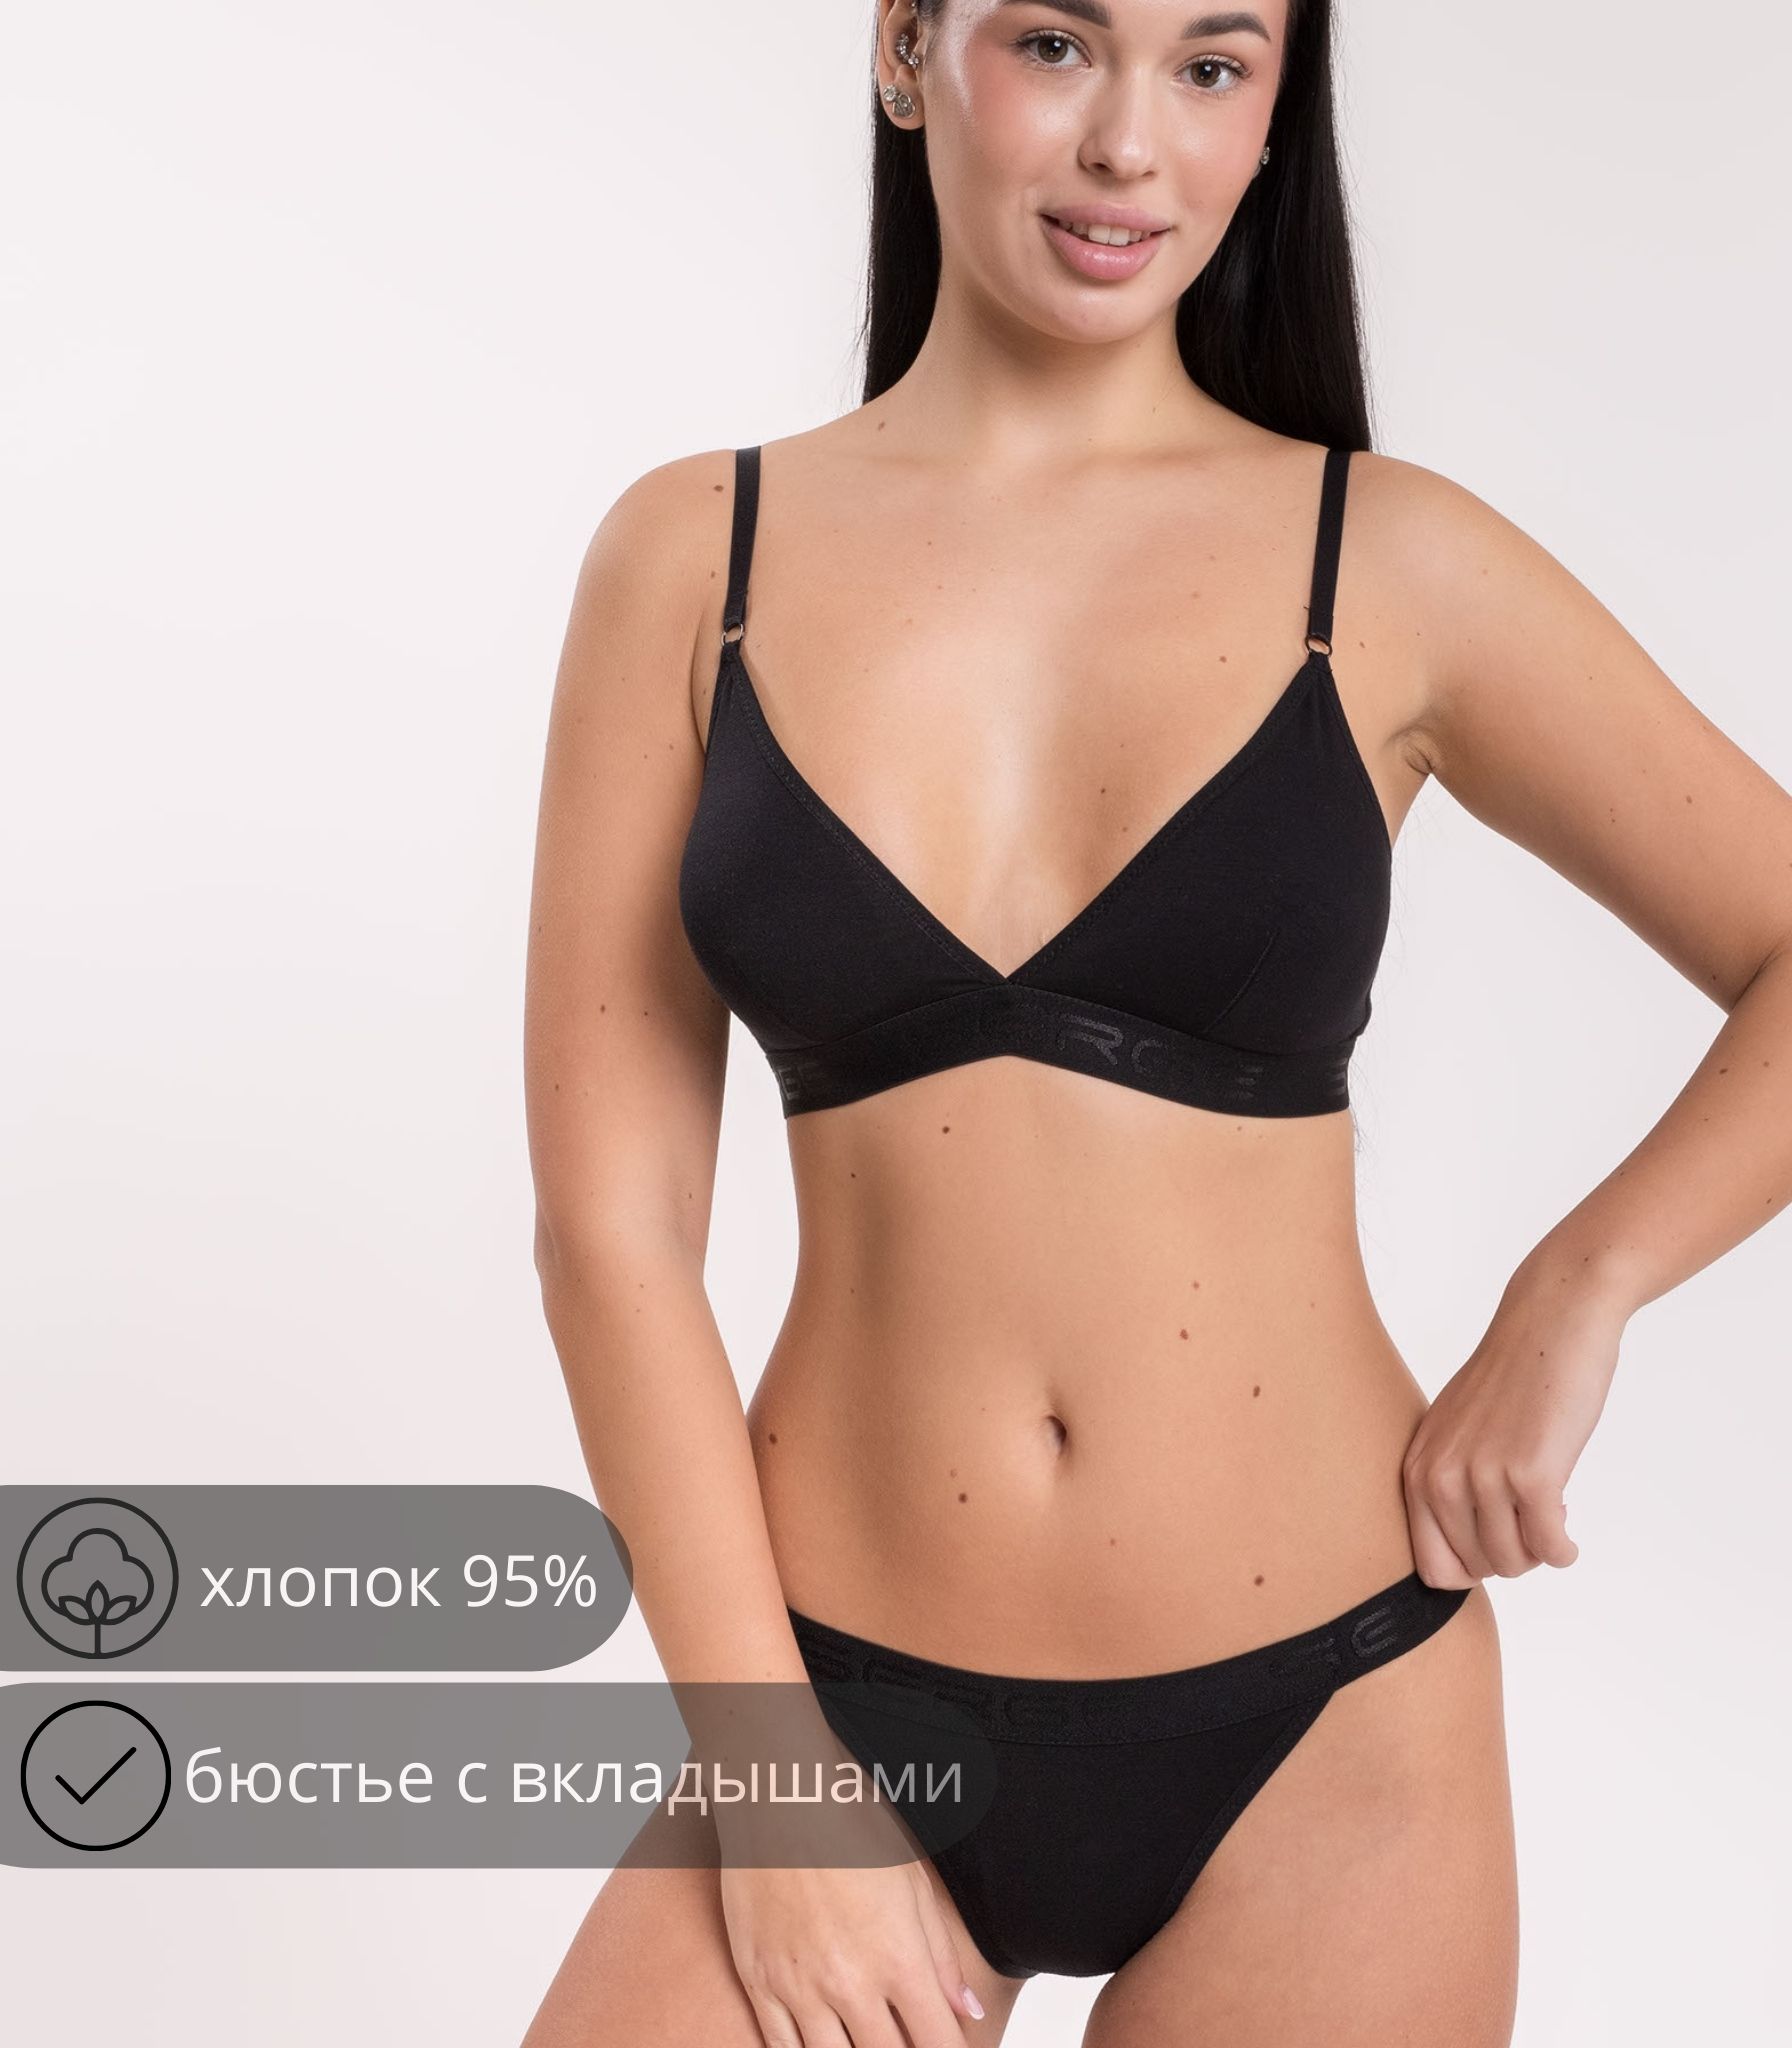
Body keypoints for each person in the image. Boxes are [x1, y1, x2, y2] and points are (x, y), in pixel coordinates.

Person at [520, 4, 1792, 2043]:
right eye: (1056, 43)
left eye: (1212, 66)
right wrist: (773, 1783)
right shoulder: (695, 558)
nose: (1130, 144)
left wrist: (1582, 1286)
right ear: (906, 49)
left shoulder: (1388, 561)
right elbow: (612, 1236)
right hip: (835, 1696)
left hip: (1329, 1721)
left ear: (1276, 113)